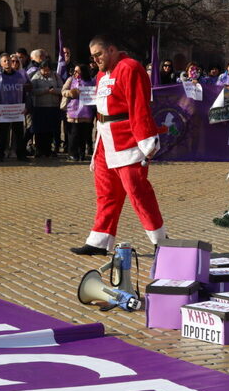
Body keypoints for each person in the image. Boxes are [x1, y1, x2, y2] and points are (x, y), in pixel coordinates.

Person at [70, 34, 167, 256]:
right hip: (105, 139)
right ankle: (99, 240)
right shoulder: (101, 76)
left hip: (128, 140)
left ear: (112, 49)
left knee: (137, 191)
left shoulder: (130, 68)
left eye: (99, 54)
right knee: (106, 192)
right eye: (93, 57)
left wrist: (146, 140)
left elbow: (139, 106)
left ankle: (161, 240)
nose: (95, 60)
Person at [0, 52, 30, 162]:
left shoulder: (19, 76)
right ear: (1, 63)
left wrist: (25, 106)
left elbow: (23, 93)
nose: (8, 62)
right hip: (3, 111)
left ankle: (21, 154)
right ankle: (0, 154)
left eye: (9, 60)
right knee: (2, 134)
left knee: (19, 134)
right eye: (5, 61)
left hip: (17, 110)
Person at [62, 63, 96, 161]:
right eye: (74, 71)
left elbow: (94, 92)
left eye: (78, 71)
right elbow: (63, 91)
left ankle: (82, 153)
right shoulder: (70, 80)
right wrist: (71, 93)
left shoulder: (91, 81)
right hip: (73, 111)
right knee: (74, 134)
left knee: (83, 134)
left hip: (86, 112)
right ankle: (72, 153)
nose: (75, 73)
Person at [29, 61, 63, 157]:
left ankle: (48, 149)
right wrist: (45, 90)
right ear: (40, 69)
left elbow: (62, 89)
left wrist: (54, 91)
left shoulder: (56, 76)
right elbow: (32, 91)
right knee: (39, 131)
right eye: (44, 70)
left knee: (50, 130)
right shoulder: (35, 77)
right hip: (40, 108)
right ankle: (39, 150)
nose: (46, 72)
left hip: (53, 107)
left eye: (48, 70)